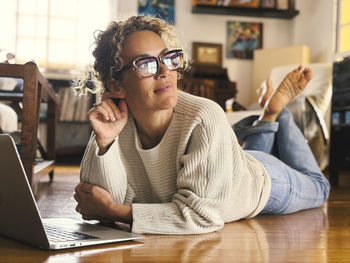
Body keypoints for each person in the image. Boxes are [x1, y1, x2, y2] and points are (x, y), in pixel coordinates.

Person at [74, 16, 330, 235]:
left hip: (260, 182)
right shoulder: (114, 123)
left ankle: (276, 113)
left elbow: (201, 216)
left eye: (168, 58)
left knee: (320, 188)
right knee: (240, 157)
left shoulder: (204, 116)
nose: (164, 71)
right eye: (146, 64)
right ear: (116, 86)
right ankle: (268, 116)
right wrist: (105, 143)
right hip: (224, 168)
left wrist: (117, 212)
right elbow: (94, 200)